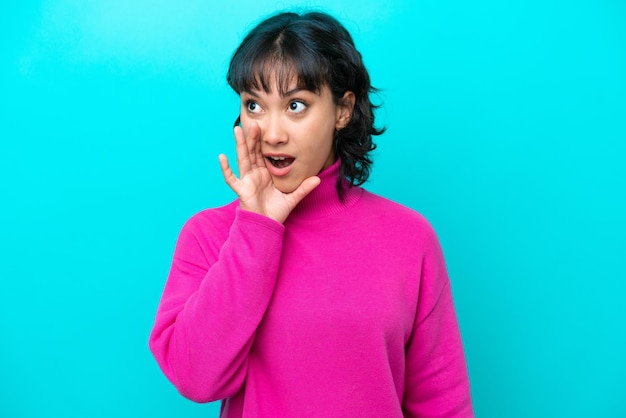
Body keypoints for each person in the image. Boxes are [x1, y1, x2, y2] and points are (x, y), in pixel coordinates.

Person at [149, 10, 473, 417]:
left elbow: (442, 404)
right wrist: (257, 229)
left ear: (342, 109)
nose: (271, 133)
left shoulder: (409, 238)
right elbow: (196, 378)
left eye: (296, 105)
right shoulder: (209, 235)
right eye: (254, 105)